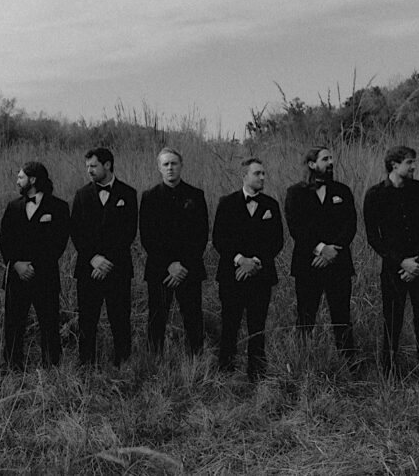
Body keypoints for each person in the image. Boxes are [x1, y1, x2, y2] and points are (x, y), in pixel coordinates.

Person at [363, 145, 419, 375]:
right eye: (409, 162)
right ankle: (389, 371)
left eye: (414, 161)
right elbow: (373, 238)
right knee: (392, 320)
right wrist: (401, 263)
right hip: (393, 270)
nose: (414, 166)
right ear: (394, 165)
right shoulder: (375, 195)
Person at [212, 158, 284, 380]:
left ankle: (257, 372)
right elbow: (218, 238)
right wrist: (240, 260)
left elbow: (277, 240)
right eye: (257, 173)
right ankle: (226, 369)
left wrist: (255, 262)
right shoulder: (226, 203)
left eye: (263, 173)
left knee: (257, 325)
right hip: (232, 275)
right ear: (244, 176)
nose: (262, 177)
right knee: (230, 323)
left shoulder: (271, 205)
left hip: (260, 275)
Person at [284, 146, 358, 358]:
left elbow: (350, 225)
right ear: (312, 164)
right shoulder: (295, 193)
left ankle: (349, 365)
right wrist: (320, 249)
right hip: (308, 265)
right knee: (306, 317)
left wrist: (333, 251)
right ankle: (303, 363)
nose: (331, 162)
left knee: (342, 318)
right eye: (325, 159)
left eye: (331, 158)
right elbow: (295, 227)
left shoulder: (342, 191)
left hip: (339, 263)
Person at [70, 147, 138, 367]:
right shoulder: (81, 194)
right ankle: (87, 366)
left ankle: (123, 365)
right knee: (87, 321)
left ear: (107, 165)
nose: (89, 170)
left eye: (94, 166)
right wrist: (93, 259)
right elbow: (76, 231)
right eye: (87, 166)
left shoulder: (128, 194)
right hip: (88, 269)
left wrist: (108, 260)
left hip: (117, 268)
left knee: (120, 320)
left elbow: (129, 232)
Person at [0, 161, 70, 370]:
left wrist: (34, 266)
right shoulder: (13, 206)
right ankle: (12, 368)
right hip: (16, 277)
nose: (17, 181)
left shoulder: (59, 207)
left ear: (33, 179)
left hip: (45, 276)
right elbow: (4, 240)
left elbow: (59, 243)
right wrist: (16, 265)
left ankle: (52, 369)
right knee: (13, 325)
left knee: (49, 325)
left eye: (20, 177)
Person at [138, 147, 209, 356]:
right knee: (157, 318)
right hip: (160, 269)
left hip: (189, 269)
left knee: (193, 318)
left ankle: (196, 363)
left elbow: (201, 235)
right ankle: (154, 363)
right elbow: (147, 236)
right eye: (165, 164)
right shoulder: (149, 197)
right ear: (159, 168)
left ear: (181, 166)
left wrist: (183, 265)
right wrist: (169, 264)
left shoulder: (196, 195)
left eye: (174, 163)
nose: (170, 168)